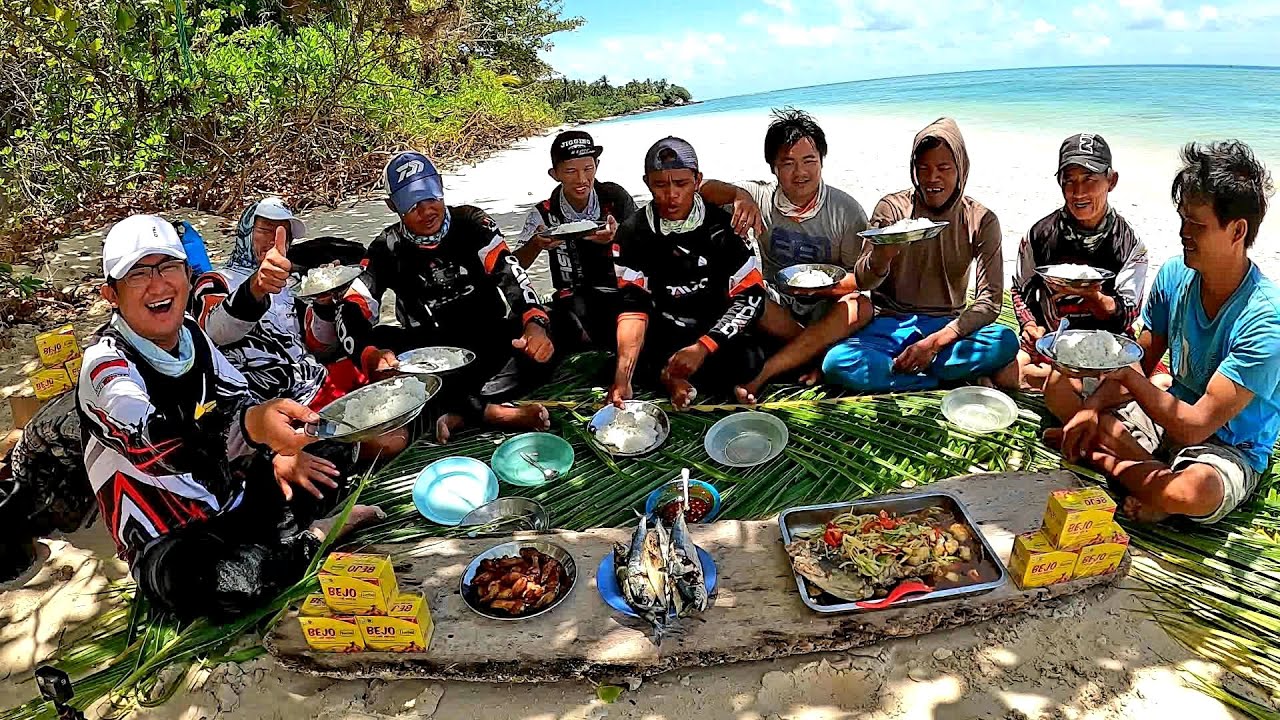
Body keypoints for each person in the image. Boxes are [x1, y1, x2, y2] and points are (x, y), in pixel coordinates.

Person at [77, 215, 381, 620]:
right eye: (138, 274)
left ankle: (278, 540)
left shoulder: (191, 335)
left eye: (168, 267)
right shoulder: (105, 367)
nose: (158, 284)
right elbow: (155, 446)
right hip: (171, 538)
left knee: (329, 454)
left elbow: (238, 400)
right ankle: (314, 537)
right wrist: (252, 428)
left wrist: (276, 451)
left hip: (232, 498)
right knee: (228, 582)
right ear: (111, 294)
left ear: (187, 275)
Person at [1045, 140, 1278, 524]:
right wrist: (1091, 408)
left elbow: (1195, 426)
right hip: (1168, 417)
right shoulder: (1175, 275)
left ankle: (1107, 461)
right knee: (1058, 386)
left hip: (1226, 445)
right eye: (1182, 218)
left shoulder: (1265, 320)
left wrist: (1123, 380)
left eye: (1197, 225)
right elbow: (1140, 360)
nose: (1183, 232)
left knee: (1189, 492)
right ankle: (1148, 476)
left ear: (1237, 231)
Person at [336, 151, 556, 443]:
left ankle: (459, 410)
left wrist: (534, 324)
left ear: (440, 185)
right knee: (383, 347)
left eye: (431, 198)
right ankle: (489, 412)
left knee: (552, 325)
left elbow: (510, 273)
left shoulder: (472, 223)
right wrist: (370, 356)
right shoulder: (387, 247)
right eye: (412, 205)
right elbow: (351, 307)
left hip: (487, 338)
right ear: (392, 206)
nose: (427, 211)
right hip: (428, 355)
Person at [697, 108, 896, 402]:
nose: (800, 172)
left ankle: (765, 373)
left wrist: (820, 289)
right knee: (746, 294)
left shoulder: (845, 210)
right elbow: (703, 189)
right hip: (777, 307)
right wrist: (739, 197)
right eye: (788, 163)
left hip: (826, 306)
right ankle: (812, 353)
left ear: (822, 161)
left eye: (809, 161)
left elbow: (860, 279)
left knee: (861, 306)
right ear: (773, 168)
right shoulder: (761, 197)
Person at [191, 198, 382, 491]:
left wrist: (324, 302)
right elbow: (215, 330)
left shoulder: (291, 286)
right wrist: (256, 287)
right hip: (271, 406)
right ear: (245, 231)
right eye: (265, 230)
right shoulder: (216, 281)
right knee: (387, 441)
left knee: (391, 374)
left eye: (283, 234)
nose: (274, 240)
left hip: (315, 381)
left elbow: (319, 346)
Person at [821, 117, 1018, 392]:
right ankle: (934, 379)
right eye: (923, 168)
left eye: (943, 168)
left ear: (961, 169)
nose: (931, 178)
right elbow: (864, 281)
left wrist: (934, 343)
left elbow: (990, 300)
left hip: (948, 327)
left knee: (1005, 340)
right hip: (890, 325)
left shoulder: (980, 219)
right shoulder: (892, 209)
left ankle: (911, 368)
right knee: (837, 363)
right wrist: (882, 256)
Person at [608, 137, 769, 410]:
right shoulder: (632, 232)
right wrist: (623, 378)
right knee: (622, 352)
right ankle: (668, 375)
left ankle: (671, 376)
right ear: (647, 183)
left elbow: (751, 297)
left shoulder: (724, 226)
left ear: (698, 181)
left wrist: (703, 347)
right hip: (664, 327)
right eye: (660, 184)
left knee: (749, 359)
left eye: (681, 183)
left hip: (713, 327)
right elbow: (633, 305)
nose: (671, 194)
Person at [1007, 134, 1149, 389]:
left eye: (1089, 179)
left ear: (1111, 181)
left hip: (1107, 347)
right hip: (1052, 342)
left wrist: (1095, 297)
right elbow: (1019, 288)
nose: (1078, 192)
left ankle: (1064, 384)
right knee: (1006, 371)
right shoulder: (1040, 235)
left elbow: (1128, 314)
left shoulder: (1129, 243)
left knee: (1146, 382)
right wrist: (1029, 325)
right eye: (1069, 181)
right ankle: (1070, 385)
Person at [514, 131, 638, 351]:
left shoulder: (614, 198)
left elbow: (646, 245)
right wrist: (536, 244)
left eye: (588, 169)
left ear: (597, 166)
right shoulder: (544, 212)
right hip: (569, 298)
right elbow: (515, 265)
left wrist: (617, 236)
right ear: (554, 174)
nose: (581, 179)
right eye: (571, 171)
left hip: (618, 291)